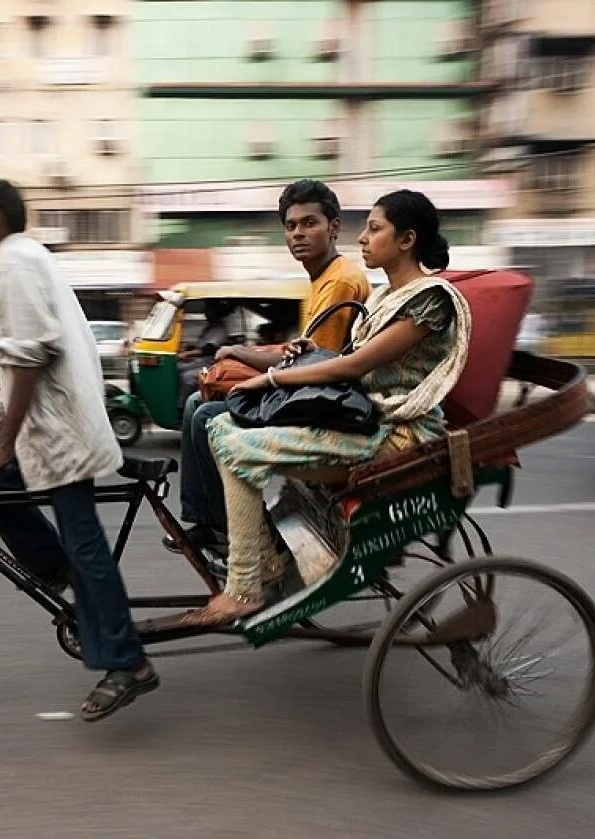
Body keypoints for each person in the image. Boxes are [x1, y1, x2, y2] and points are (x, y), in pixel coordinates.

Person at [185, 189, 473, 625]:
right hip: (365, 422)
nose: (363, 239)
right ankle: (266, 562)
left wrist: (272, 377)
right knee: (222, 430)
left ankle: (246, 584)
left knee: (228, 439)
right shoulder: (381, 298)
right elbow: (345, 359)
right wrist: (303, 352)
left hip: (399, 436)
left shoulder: (428, 299)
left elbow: (354, 365)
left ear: (407, 240)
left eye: (375, 229)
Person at [0, 179, 158, 721]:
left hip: (61, 432)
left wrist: (6, 442)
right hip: (56, 423)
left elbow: (30, 356)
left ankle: (127, 662)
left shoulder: (12, 263)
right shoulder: (24, 257)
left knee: (82, 538)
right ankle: (58, 569)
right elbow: (47, 354)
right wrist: (7, 426)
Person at [166, 179, 370, 557]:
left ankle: (226, 529)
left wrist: (251, 368)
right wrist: (244, 355)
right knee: (198, 403)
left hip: (324, 403)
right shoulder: (322, 278)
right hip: (314, 391)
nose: (298, 234)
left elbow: (312, 366)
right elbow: (301, 352)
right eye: (291, 226)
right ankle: (212, 521)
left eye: (310, 223)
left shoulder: (340, 280)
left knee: (203, 413)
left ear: (334, 227)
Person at [175, 301, 232, 412]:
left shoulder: (219, 329)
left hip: (210, 364)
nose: (206, 312)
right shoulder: (210, 327)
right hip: (201, 361)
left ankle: (181, 410)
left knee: (187, 377)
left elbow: (208, 349)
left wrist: (187, 354)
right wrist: (187, 348)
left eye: (208, 310)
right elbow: (200, 345)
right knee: (177, 368)